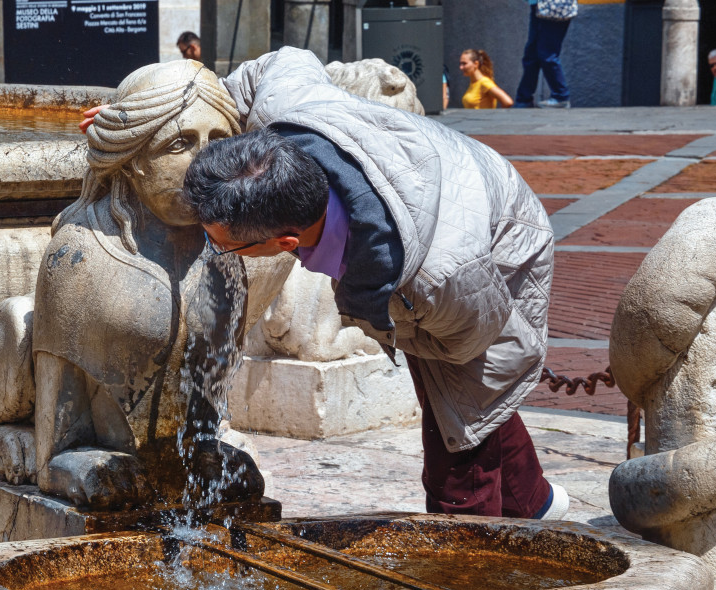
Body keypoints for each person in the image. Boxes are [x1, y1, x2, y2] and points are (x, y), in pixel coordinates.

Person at [83, 47, 568, 520]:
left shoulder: (437, 281)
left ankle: (472, 574)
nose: (216, 254)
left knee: (457, 444)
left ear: (286, 242)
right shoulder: (284, 109)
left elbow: (479, 346)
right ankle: (535, 500)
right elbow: (279, 62)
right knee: (454, 407)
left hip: (498, 238)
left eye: (226, 246)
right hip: (422, 184)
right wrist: (138, 121)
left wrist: (397, 326)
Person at [514, 0, 572, 109]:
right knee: (531, 54)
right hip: (538, 5)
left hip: (554, 6)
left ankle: (561, 96)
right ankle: (524, 99)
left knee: (547, 54)